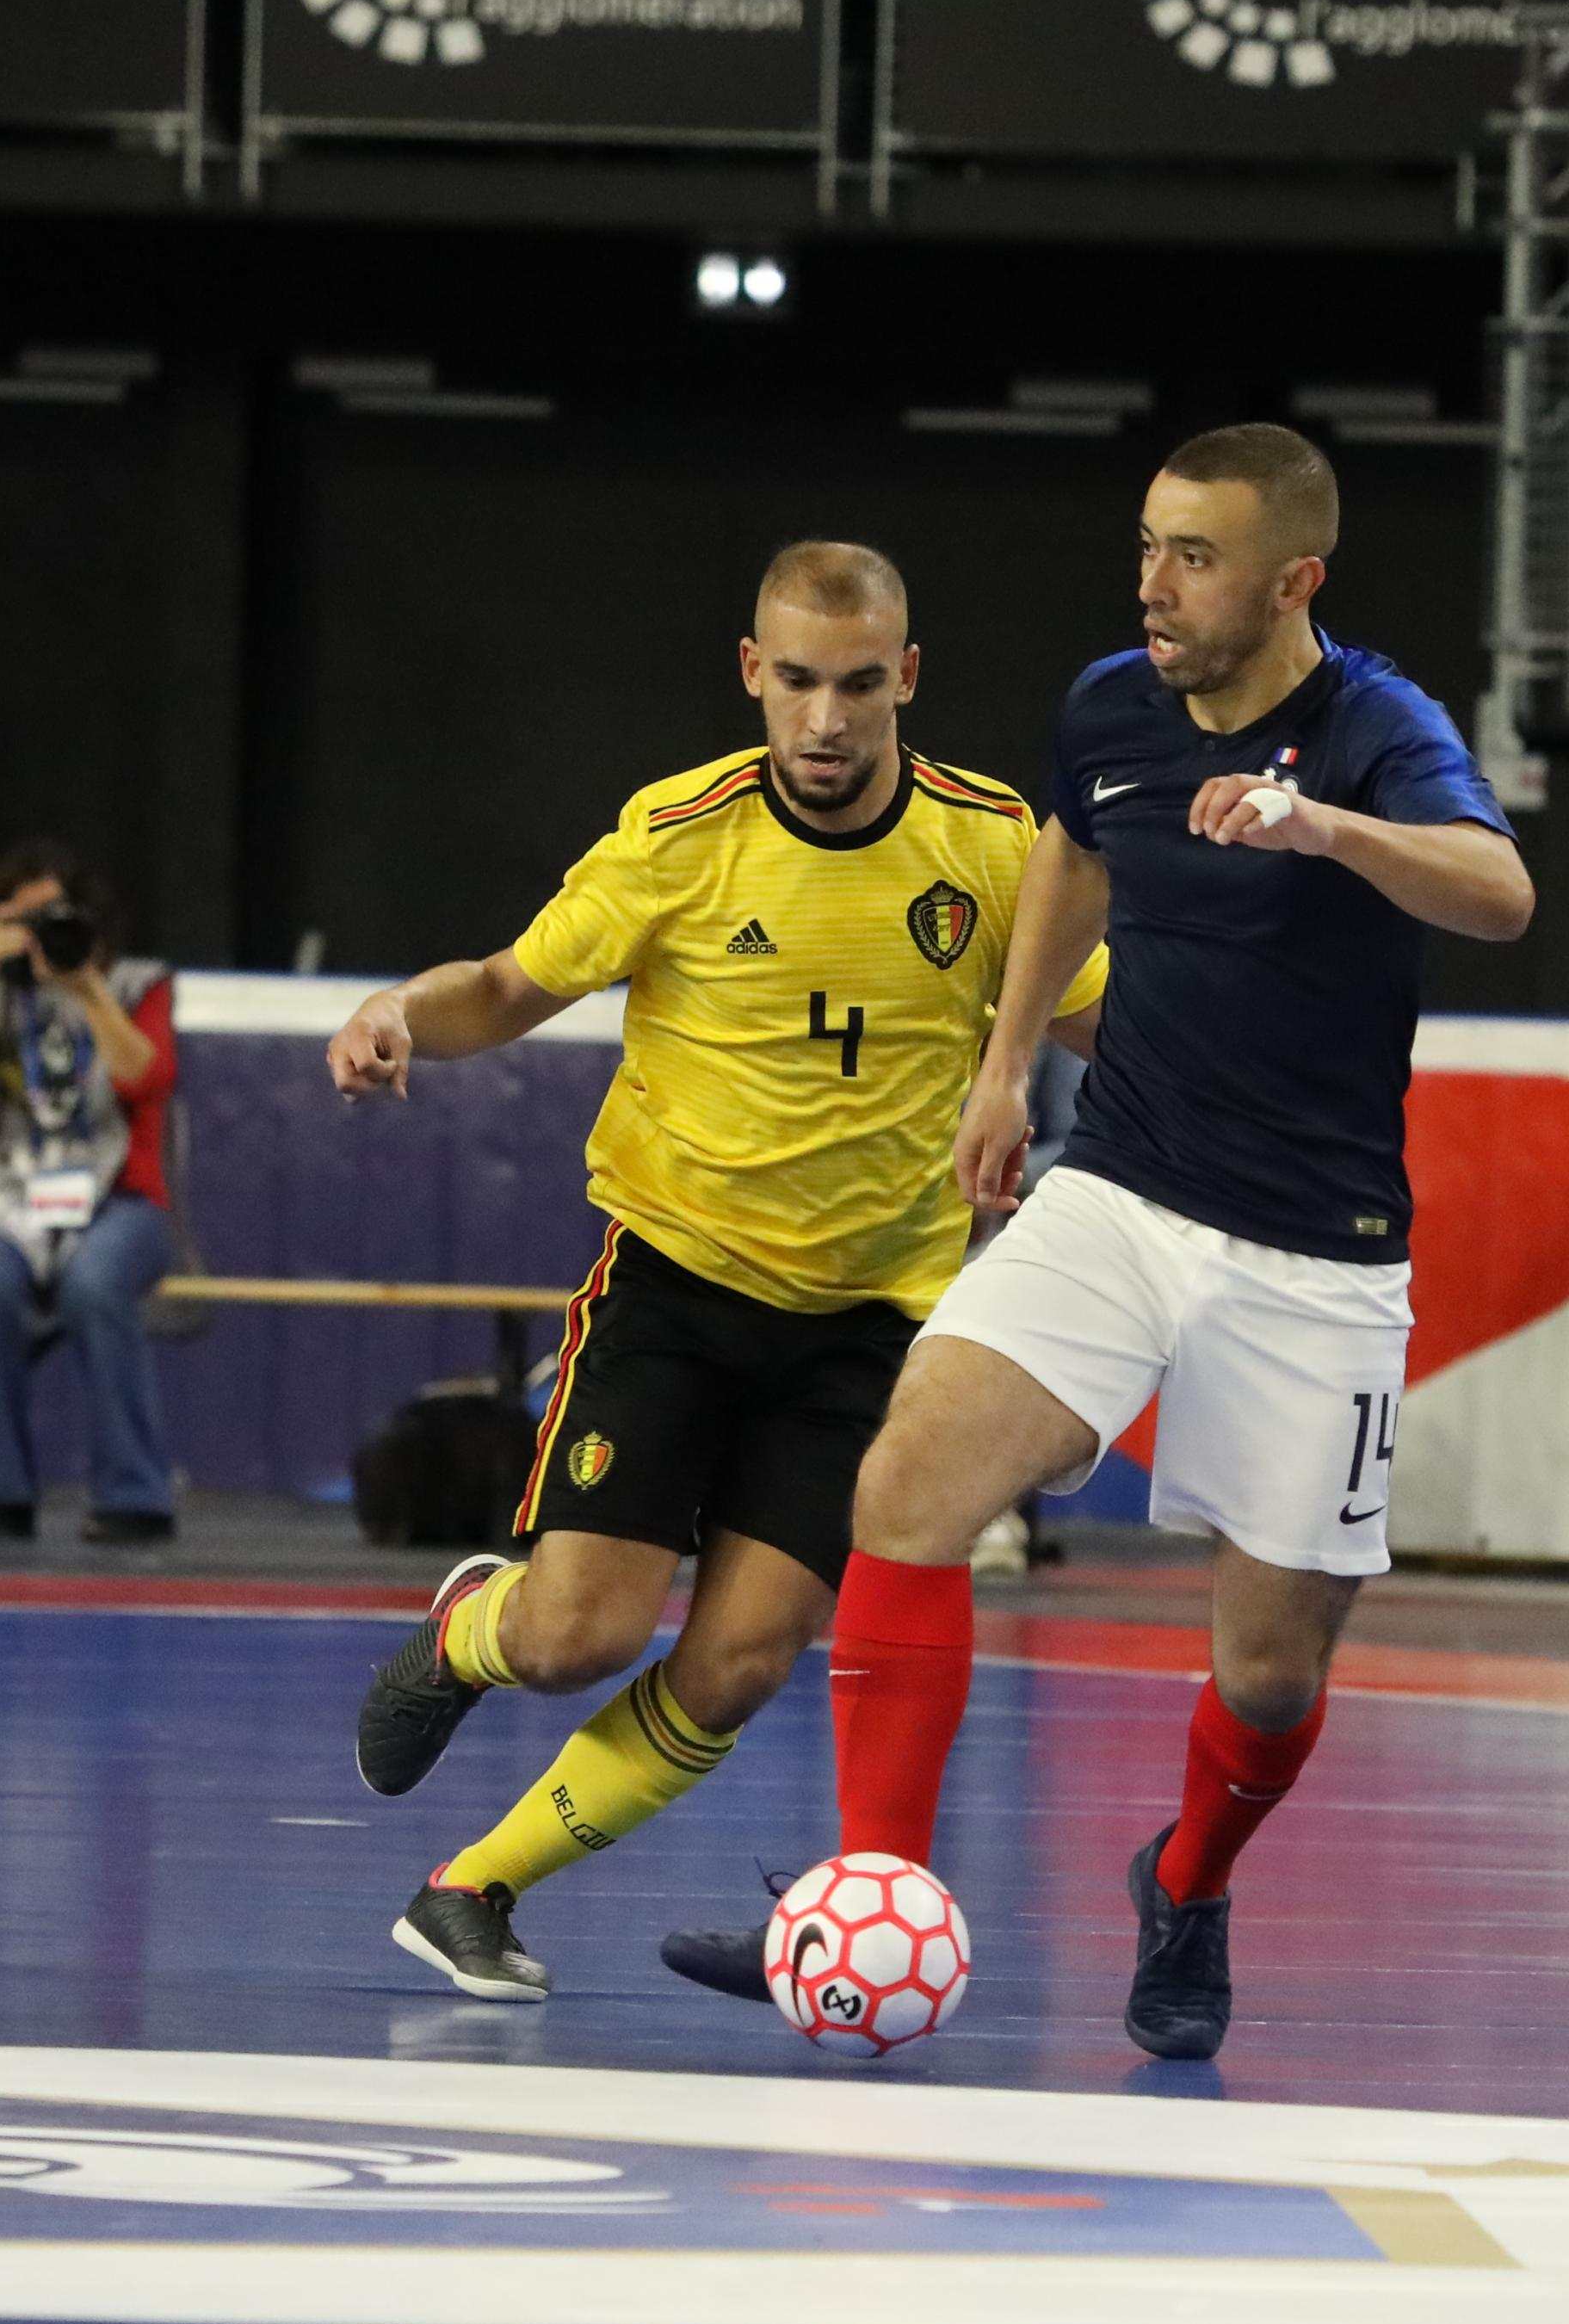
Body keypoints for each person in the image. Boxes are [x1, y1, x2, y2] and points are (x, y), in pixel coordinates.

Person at [662, 427, 1534, 2061]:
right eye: (1148, 545)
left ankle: (1187, 1878)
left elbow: (1500, 890)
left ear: (1294, 580)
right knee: (907, 1485)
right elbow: (1072, 847)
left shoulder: (1377, 727)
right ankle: (875, 1892)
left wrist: (1326, 829)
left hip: (1316, 1253)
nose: (1154, 583)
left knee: (1268, 1679)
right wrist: (1007, 1064)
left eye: (1194, 557)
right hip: (1122, 1189)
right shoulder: (1109, 706)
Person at [330, 542, 1101, 2002]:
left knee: (742, 1661)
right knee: (576, 1637)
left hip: (868, 1331)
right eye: (797, 681)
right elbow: (503, 987)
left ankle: (472, 1887)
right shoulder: (678, 837)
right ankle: (468, 1632)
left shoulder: (996, 848)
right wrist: (398, 1013)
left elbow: (1100, 1021)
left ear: (907, 678)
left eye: (859, 685)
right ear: (753, 671)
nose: (826, 719)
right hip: (676, 1293)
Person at [0, 844, 182, 1547]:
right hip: (7, 1201)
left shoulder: (137, 985)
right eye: (21, 920)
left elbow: (145, 1078)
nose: (37, 937)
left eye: (52, 919)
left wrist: (85, 986)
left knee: (94, 1284)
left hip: (123, 1203)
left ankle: (135, 1496)